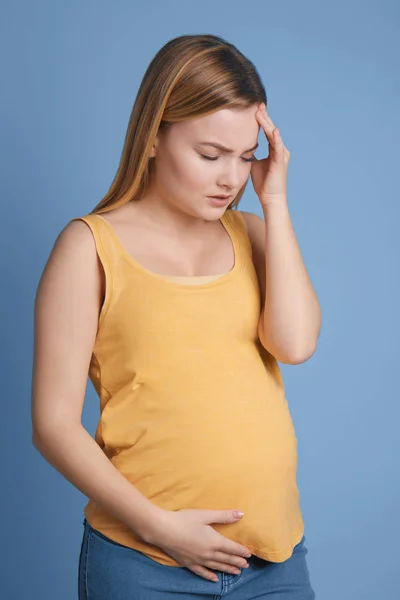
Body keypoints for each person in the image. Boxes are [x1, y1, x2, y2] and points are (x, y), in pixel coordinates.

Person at [31, 34, 320, 599]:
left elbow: (296, 343)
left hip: (274, 563)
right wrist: (158, 526)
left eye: (244, 156)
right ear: (155, 136)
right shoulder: (90, 248)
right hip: (147, 563)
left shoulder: (258, 236)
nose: (231, 178)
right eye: (210, 155)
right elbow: (54, 425)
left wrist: (276, 203)